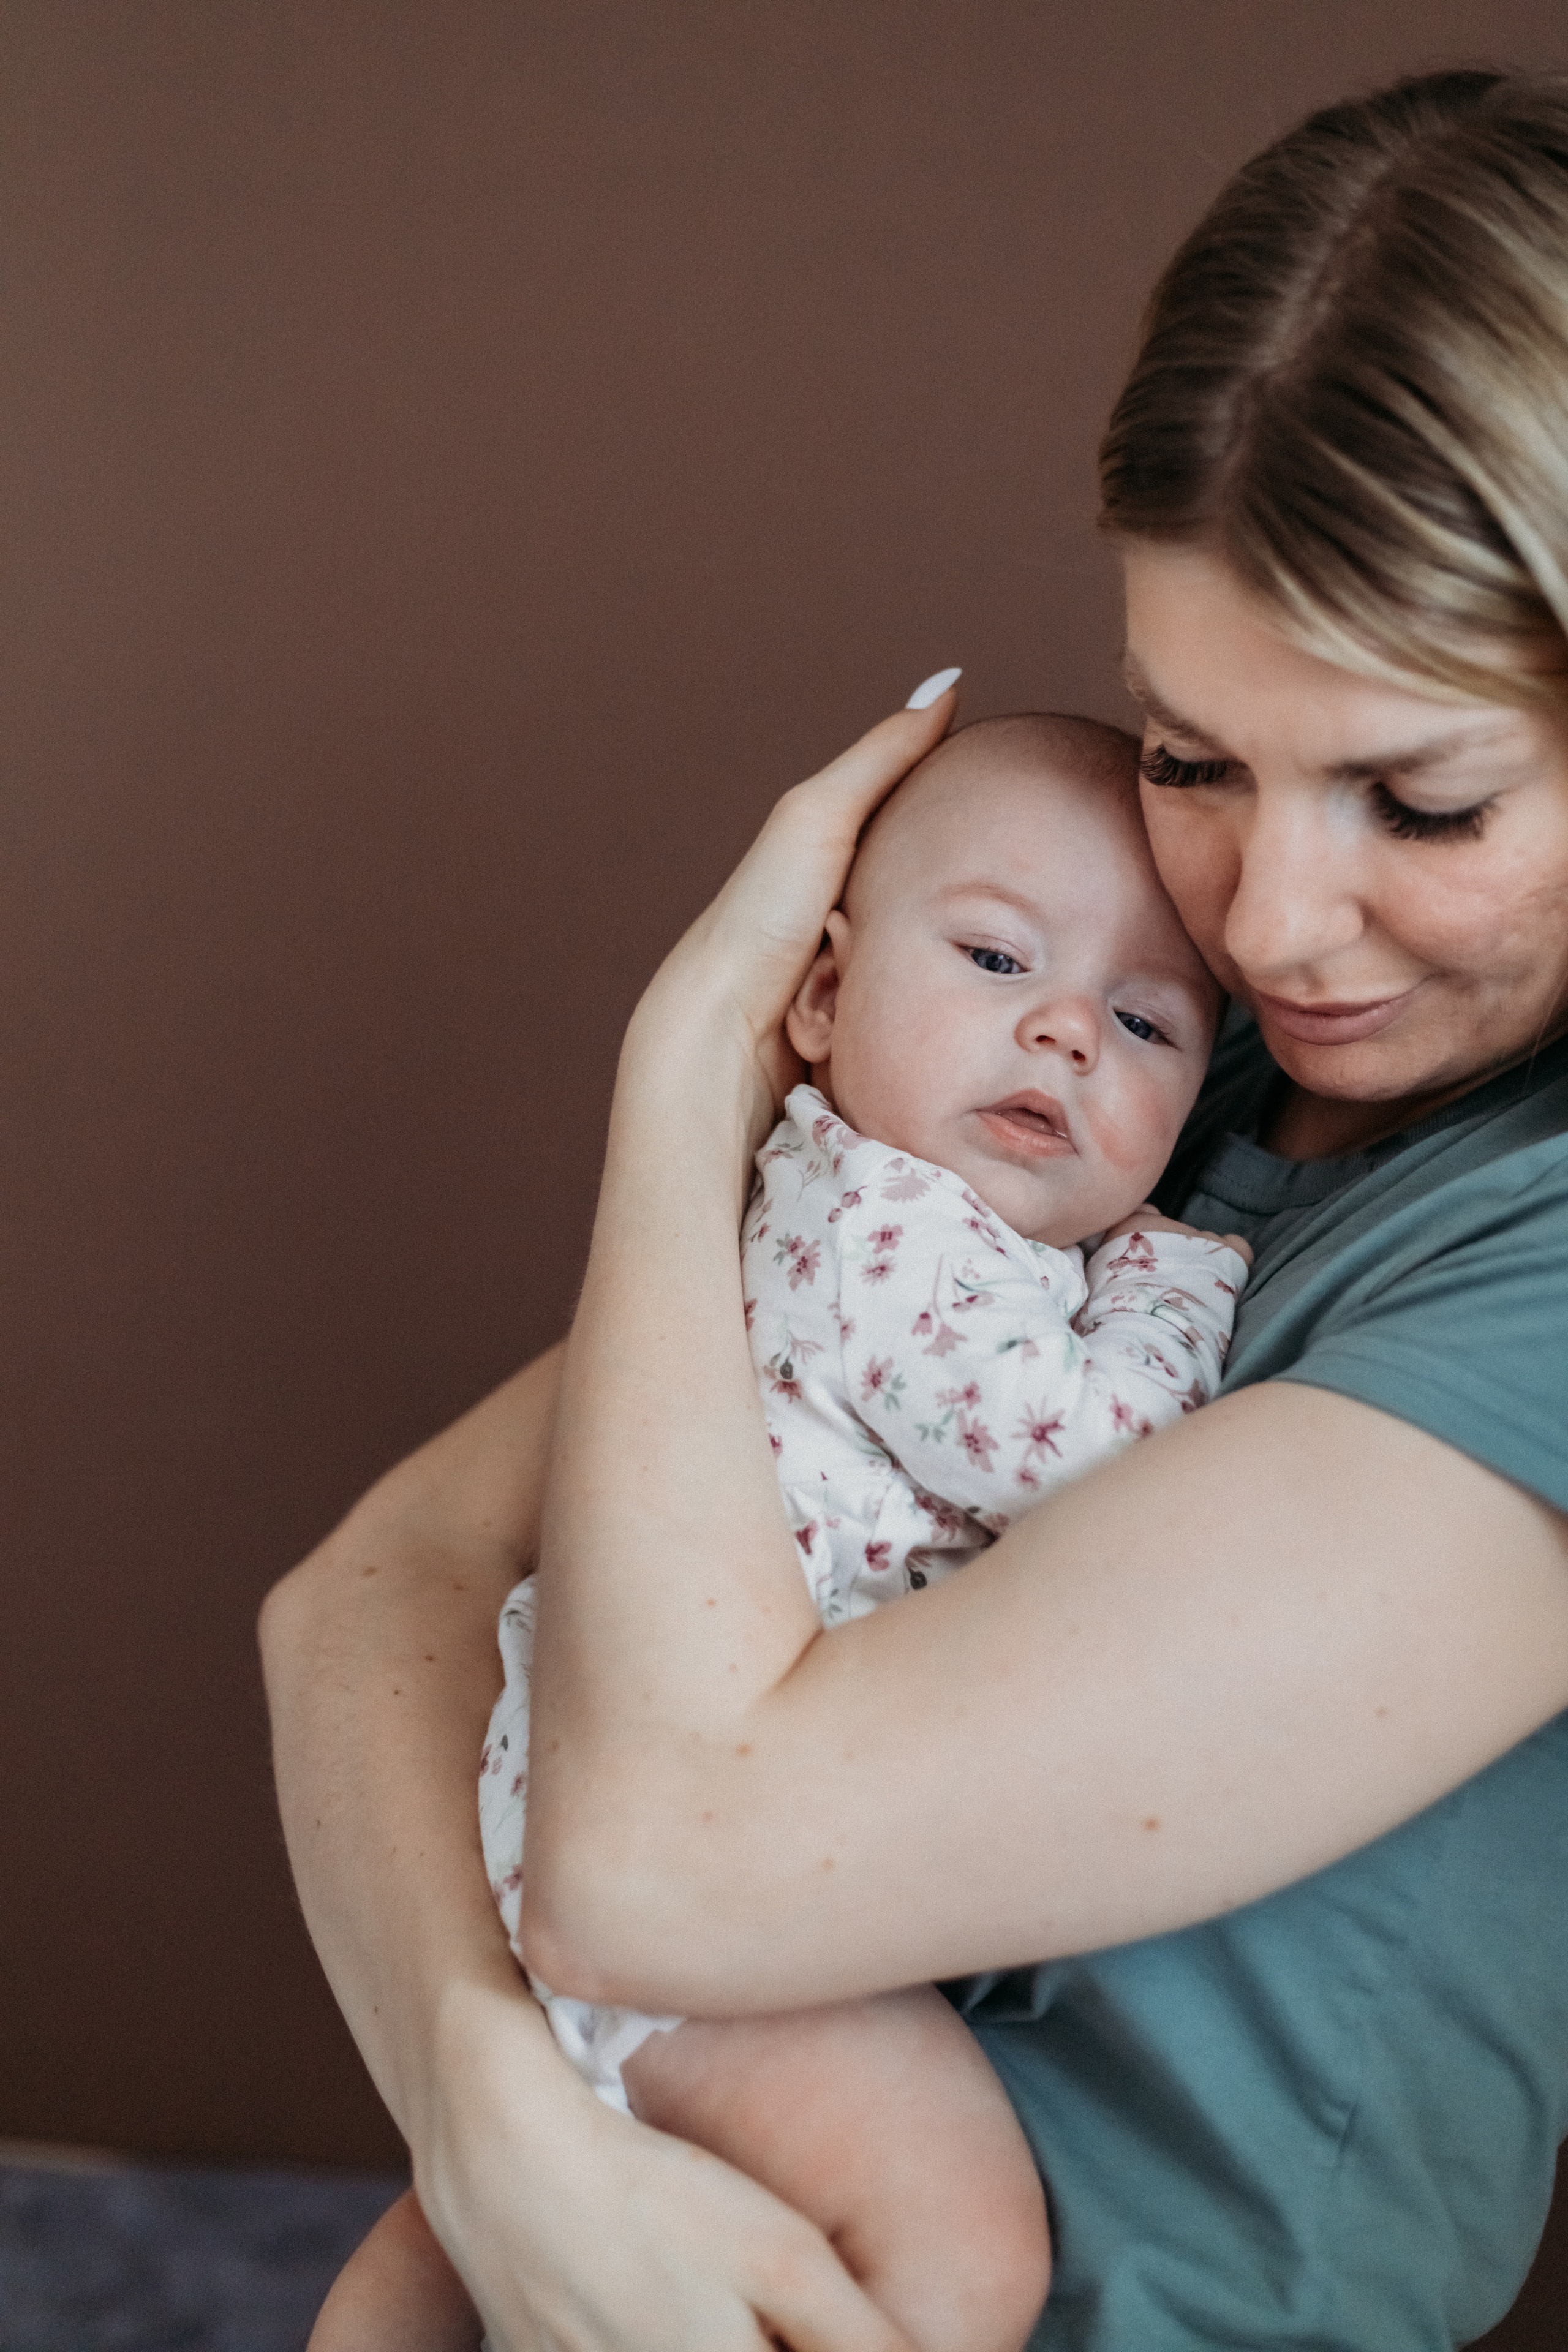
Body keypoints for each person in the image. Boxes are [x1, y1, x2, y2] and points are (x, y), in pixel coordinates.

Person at [262, 67, 1568, 2352]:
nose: (1276, 918)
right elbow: (368, 1588)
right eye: (1190, 755)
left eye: (1420, 800)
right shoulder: (1172, 1045)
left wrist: (686, 1089)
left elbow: (653, 1860)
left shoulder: (1524, 1263)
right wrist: (495, 2120)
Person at [307, 714, 1249, 2351]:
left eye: (1147, 1020)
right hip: (672, 1852)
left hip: (624, 1811)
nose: (1064, 1030)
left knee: (498, 2228)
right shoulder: (882, 1226)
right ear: (819, 998)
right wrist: (1183, 1280)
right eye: (993, 952)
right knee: (955, 2235)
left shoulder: (898, 1217)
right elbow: (1082, 1463)